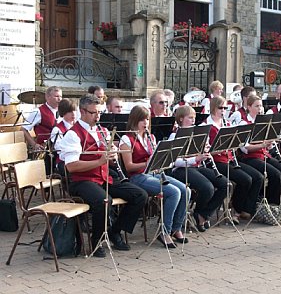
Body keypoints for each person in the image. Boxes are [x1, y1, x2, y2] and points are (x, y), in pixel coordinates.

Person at [58, 94, 147, 257]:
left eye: (99, 112)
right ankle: (96, 241)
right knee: (104, 201)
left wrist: (113, 157)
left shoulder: (102, 130)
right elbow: (71, 167)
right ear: (82, 111)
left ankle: (114, 231)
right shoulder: (73, 134)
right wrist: (100, 161)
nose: (98, 116)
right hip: (81, 181)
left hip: (104, 177)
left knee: (139, 195)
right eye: (94, 113)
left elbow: (107, 160)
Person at [119, 105, 190, 248]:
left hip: (154, 174)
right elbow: (129, 167)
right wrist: (148, 162)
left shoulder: (150, 137)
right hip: (138, 177)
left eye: (147, 119)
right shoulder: (127, 139)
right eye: (141, 120)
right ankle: (164, 232)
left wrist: (161, 159)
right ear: (134, 120)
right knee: (173, 192)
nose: (145, 123)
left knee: (185, 190)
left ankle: (176, 228)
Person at [203, 96, 263, 224]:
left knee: (257, 177)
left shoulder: (228, 124)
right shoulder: (205, 126)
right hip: (216, 162)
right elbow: (207, 151)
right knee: (245, 179)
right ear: (213, 107)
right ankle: (237, 210)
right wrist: (221, 148)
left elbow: (238, 145)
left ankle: (244, 209)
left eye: (225, 108)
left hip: (229, 159)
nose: (223, 111)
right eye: (221, 108)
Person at [168, 105, 227, 231]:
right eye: (190, 118)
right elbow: (174, 161)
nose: (193, 120)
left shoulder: (198, 134)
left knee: (225, 184)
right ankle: (199, 214)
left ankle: (203, 214)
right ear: (181, 119)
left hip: (197, 167)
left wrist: (206, 151)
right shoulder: (175, 136)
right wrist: (195, 159)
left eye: (194, 117)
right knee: (207, 188)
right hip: (181, 170)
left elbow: (203, 154)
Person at [238, 95, 281, 207]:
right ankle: (272, 204)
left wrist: (270, 143)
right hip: (250, 158)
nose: (260, 109)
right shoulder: (244, 123)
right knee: (276, 175)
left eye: (261, 106)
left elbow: (267, 145)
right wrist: (262, 145)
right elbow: (245, 148)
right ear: (249, 107)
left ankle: (264, 196)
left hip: (264, 155)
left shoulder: (264, 123)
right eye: (257, 106)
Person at [22, 86, 62, 151]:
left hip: (60, 148)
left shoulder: (63, 111)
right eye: (56, 96)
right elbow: (23, 129)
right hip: (45, 150)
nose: (60, 99)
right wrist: (34, 144)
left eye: (60, 96)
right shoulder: (37, 111)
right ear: (47, 97)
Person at [50, 98, 77, 171]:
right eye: (70, 111)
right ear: (63, 113)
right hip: (63, 161)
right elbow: (59, 148)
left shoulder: (78, 126)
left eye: (74, 110)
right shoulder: (57, 129)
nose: (73, 114)